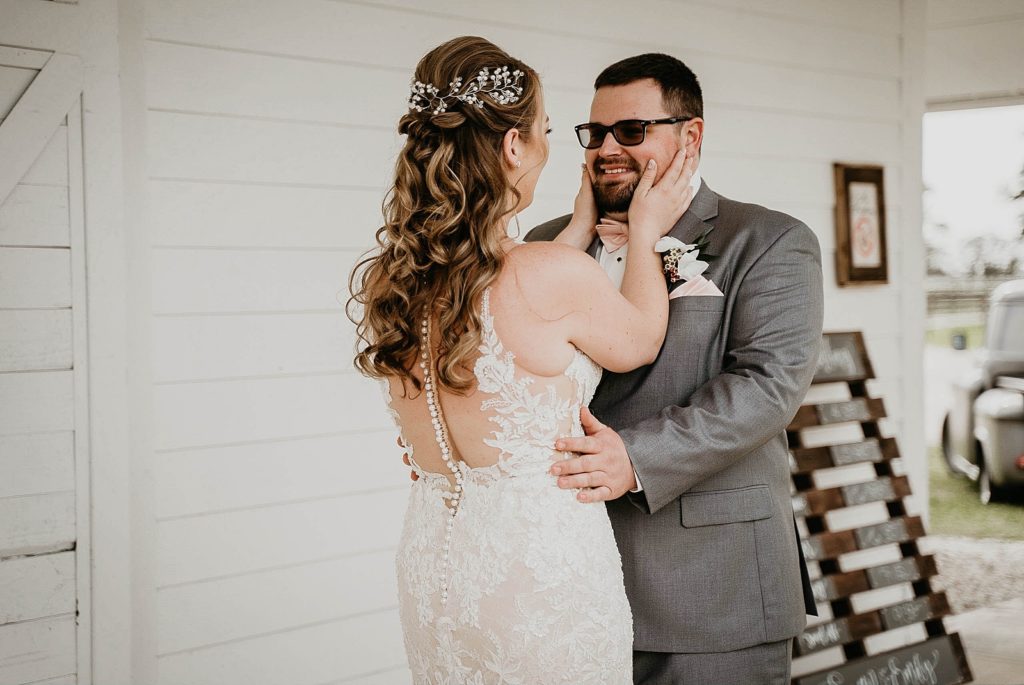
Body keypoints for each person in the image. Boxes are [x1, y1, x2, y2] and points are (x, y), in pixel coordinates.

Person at [348, 36, 697, 684]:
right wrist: (644, 231)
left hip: (434, 561)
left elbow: (503, 301)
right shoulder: (550, 276)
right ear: (513, 146)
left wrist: (572, 234)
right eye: (544, 131)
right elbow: (640, 337)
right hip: (536, 569)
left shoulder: (398, 283)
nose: (547, 149)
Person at [526, 53, 824, 685]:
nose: (607, 148)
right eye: (596, 132)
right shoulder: (550, 243)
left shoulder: (768, 240)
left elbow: (767, 387)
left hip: (712, 589)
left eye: (631, 132)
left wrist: (632, 457)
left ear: (691, 135)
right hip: (567, 580)